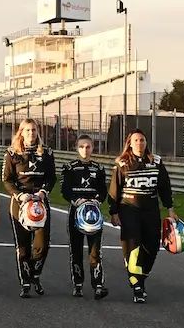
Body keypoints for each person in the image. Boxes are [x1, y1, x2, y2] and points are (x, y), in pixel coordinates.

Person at [108, 129, 177, 304]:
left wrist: (170, 209)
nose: (139, 143)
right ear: (130, 143)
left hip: (151, 210)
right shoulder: (122, 163)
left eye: (142, 140)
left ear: (146, 143)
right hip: (129, 210)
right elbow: (115, 190)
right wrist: (114, 212)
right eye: (136, 140)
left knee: (152, 247)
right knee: (133, 247)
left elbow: (165, 187)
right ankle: (136, 285)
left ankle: (141, 278)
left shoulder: (156, 162)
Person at [2, 119, 56, 298]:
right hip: (20, 202)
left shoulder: (46, 152)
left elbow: (51, 178)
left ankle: (35, 275)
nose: (31, 134)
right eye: (27, 130)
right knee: (23, 246)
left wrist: (43, 192)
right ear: (21, 132)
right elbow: (7, 179)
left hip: (40, 202)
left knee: (42, 245)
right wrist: (19, 195)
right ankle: (25, 282)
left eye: (33, 130)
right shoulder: (11, 153)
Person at [60, 134, 108, 300]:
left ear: (93, 148)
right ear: (76, 148)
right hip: (76, 212)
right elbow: (65, 189)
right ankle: (78, 284)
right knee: (76, 249)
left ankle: (98, 285)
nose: (85, 150)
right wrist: (75, 201)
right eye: (81, 147)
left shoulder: (99, 169)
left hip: (93, 212)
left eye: (88, 147)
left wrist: (97, 200)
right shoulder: (69, 167)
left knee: (95, 251)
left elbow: (103, 191)